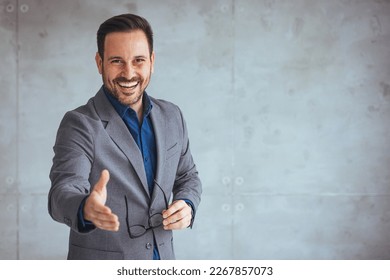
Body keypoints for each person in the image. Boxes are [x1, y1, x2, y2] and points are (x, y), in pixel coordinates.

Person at [48, 13, 202, 260]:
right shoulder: (79, 123)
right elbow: (63, 191)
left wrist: (188, 203)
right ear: (100, 63)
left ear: (152, 61)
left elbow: (188, 175)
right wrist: (85, 208)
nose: (128, 73)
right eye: (117, 61)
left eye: (138, 60)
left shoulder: (173, 115)